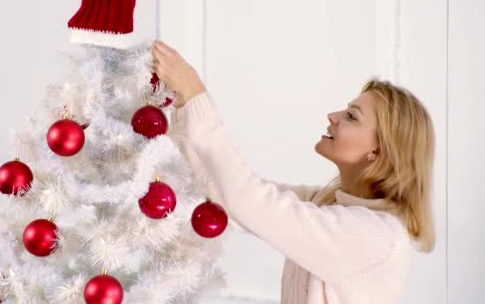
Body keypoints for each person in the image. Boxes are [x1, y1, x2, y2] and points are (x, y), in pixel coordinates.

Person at [151, 40, 436, 304]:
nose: (333, 116)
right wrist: (183, 107)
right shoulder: (328, 202)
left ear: (378, 152)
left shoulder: (375, 236)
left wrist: (196, 96)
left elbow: (250, 201)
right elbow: (228, 193)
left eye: (351, 116)